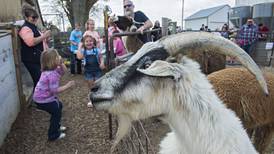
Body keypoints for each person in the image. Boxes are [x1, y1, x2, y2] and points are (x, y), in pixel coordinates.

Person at [33, 48, 75, 141]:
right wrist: (68, 86)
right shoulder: (51, 74)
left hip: (43, 97)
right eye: (57, 57)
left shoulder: (53, 69)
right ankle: (53, 135)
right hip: (42, 100)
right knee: (56, 112)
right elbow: (54, 90)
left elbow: (64, 72)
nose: (59, 57)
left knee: (59, 106)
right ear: (52, 61)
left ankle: (56, 126)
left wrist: (61, 63)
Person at [19, 4, 51, 90]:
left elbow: (41, 41)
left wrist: (46, 38)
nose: (35, 19)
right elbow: (31, 42)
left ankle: (40, 99)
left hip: (38, 58)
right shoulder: (25, 28)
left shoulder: (34, 27)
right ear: (26, 17)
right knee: (39, 80)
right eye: (33, 17)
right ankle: (39, 100)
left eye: (36, 17)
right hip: (31, 60)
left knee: (40, 80)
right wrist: (44, 36)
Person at [77, 35, 105, 107]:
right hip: (88, 71)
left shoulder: (96, 50)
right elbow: (79, 57)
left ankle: (99, 99)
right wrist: (79, 47)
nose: (89, 43)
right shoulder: (83, 51)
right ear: (84, 43)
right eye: (87, 41)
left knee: (98, 85)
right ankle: (92, 99)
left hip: (97, 70)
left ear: (93, 42)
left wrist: (102, 63)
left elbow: (101, 57)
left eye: (91, 41)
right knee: (91, 86)